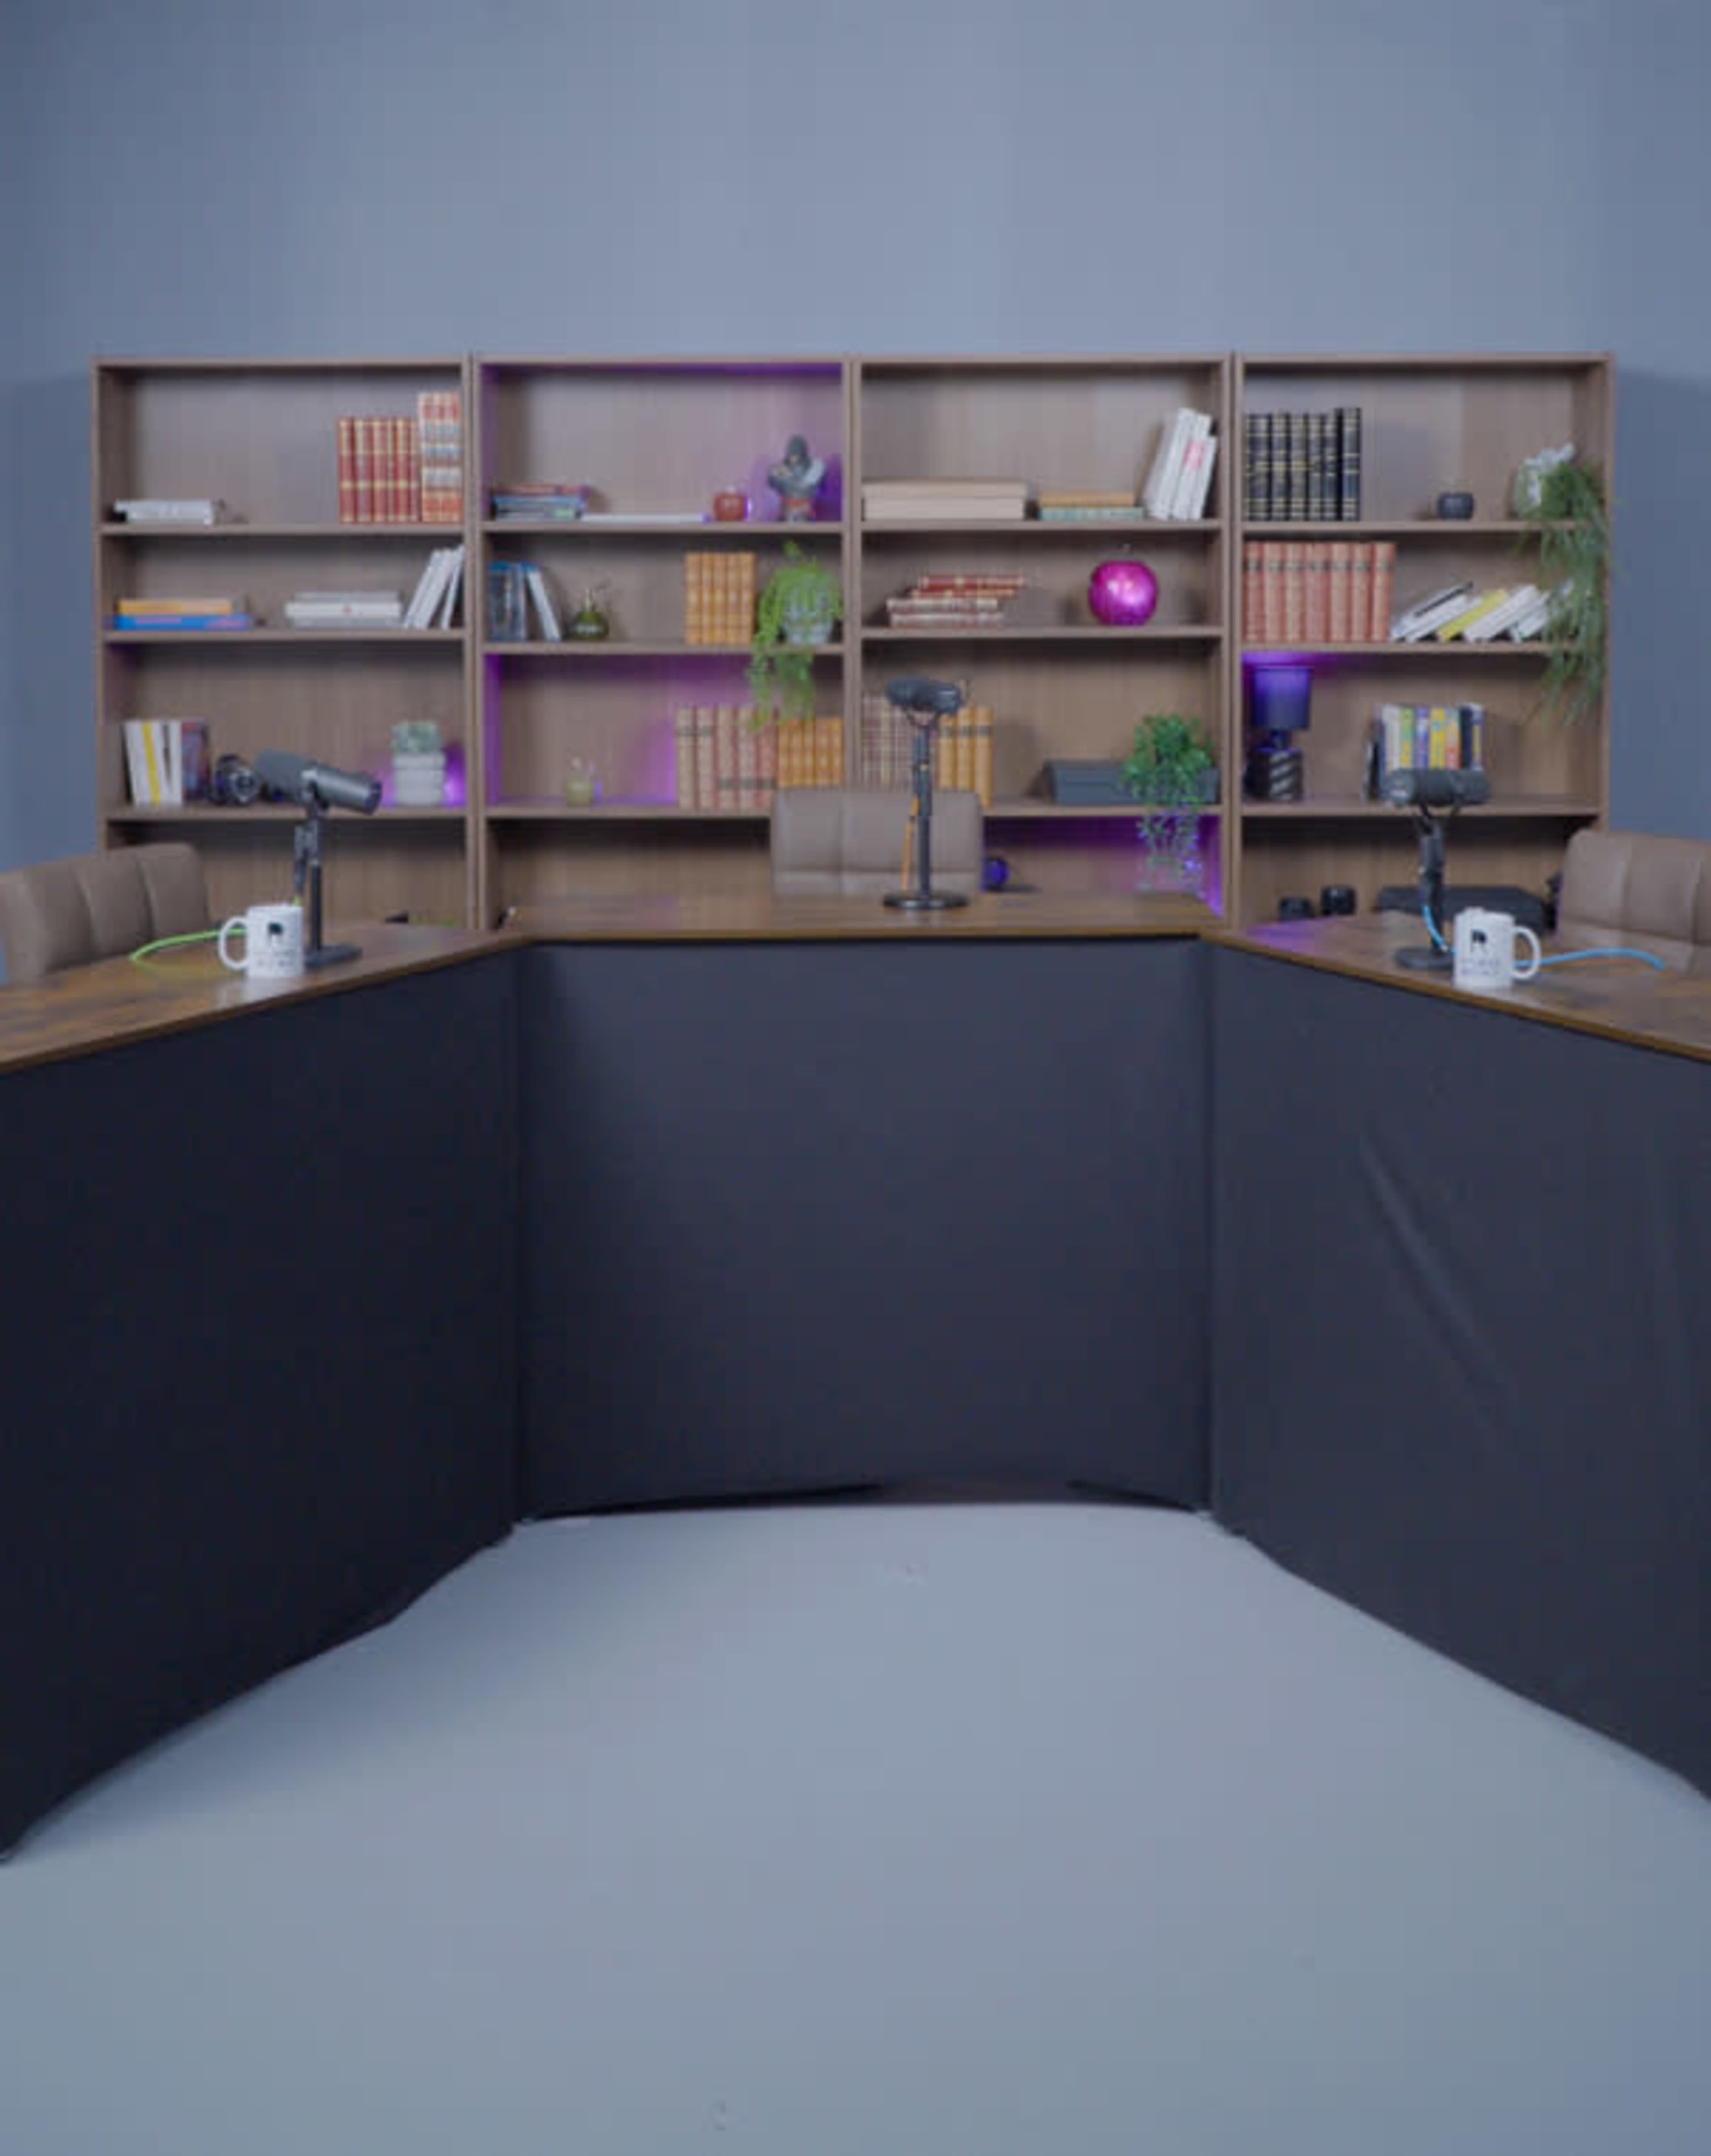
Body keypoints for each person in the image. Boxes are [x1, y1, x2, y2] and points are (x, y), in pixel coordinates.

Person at [768, 434, 825, 520]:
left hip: (806, 514)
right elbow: (772, 480)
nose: (793, 458)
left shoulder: (816, 467)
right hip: (786, 514)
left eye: (796, 455)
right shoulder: (779, 468)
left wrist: (789, 480)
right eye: (791, 455)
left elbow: (807, 486)